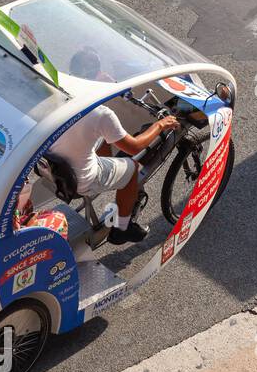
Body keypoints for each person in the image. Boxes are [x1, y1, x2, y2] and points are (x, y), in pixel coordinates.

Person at [52, 49, 179, 245]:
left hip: (55, 167)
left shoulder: (58, 91)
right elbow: (135, 147)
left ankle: (110, 174)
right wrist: (160, 124)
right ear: (97, 75)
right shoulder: (101, 114)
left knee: (101, 139)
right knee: (133, 169)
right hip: (81, 178)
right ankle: (122, 228)